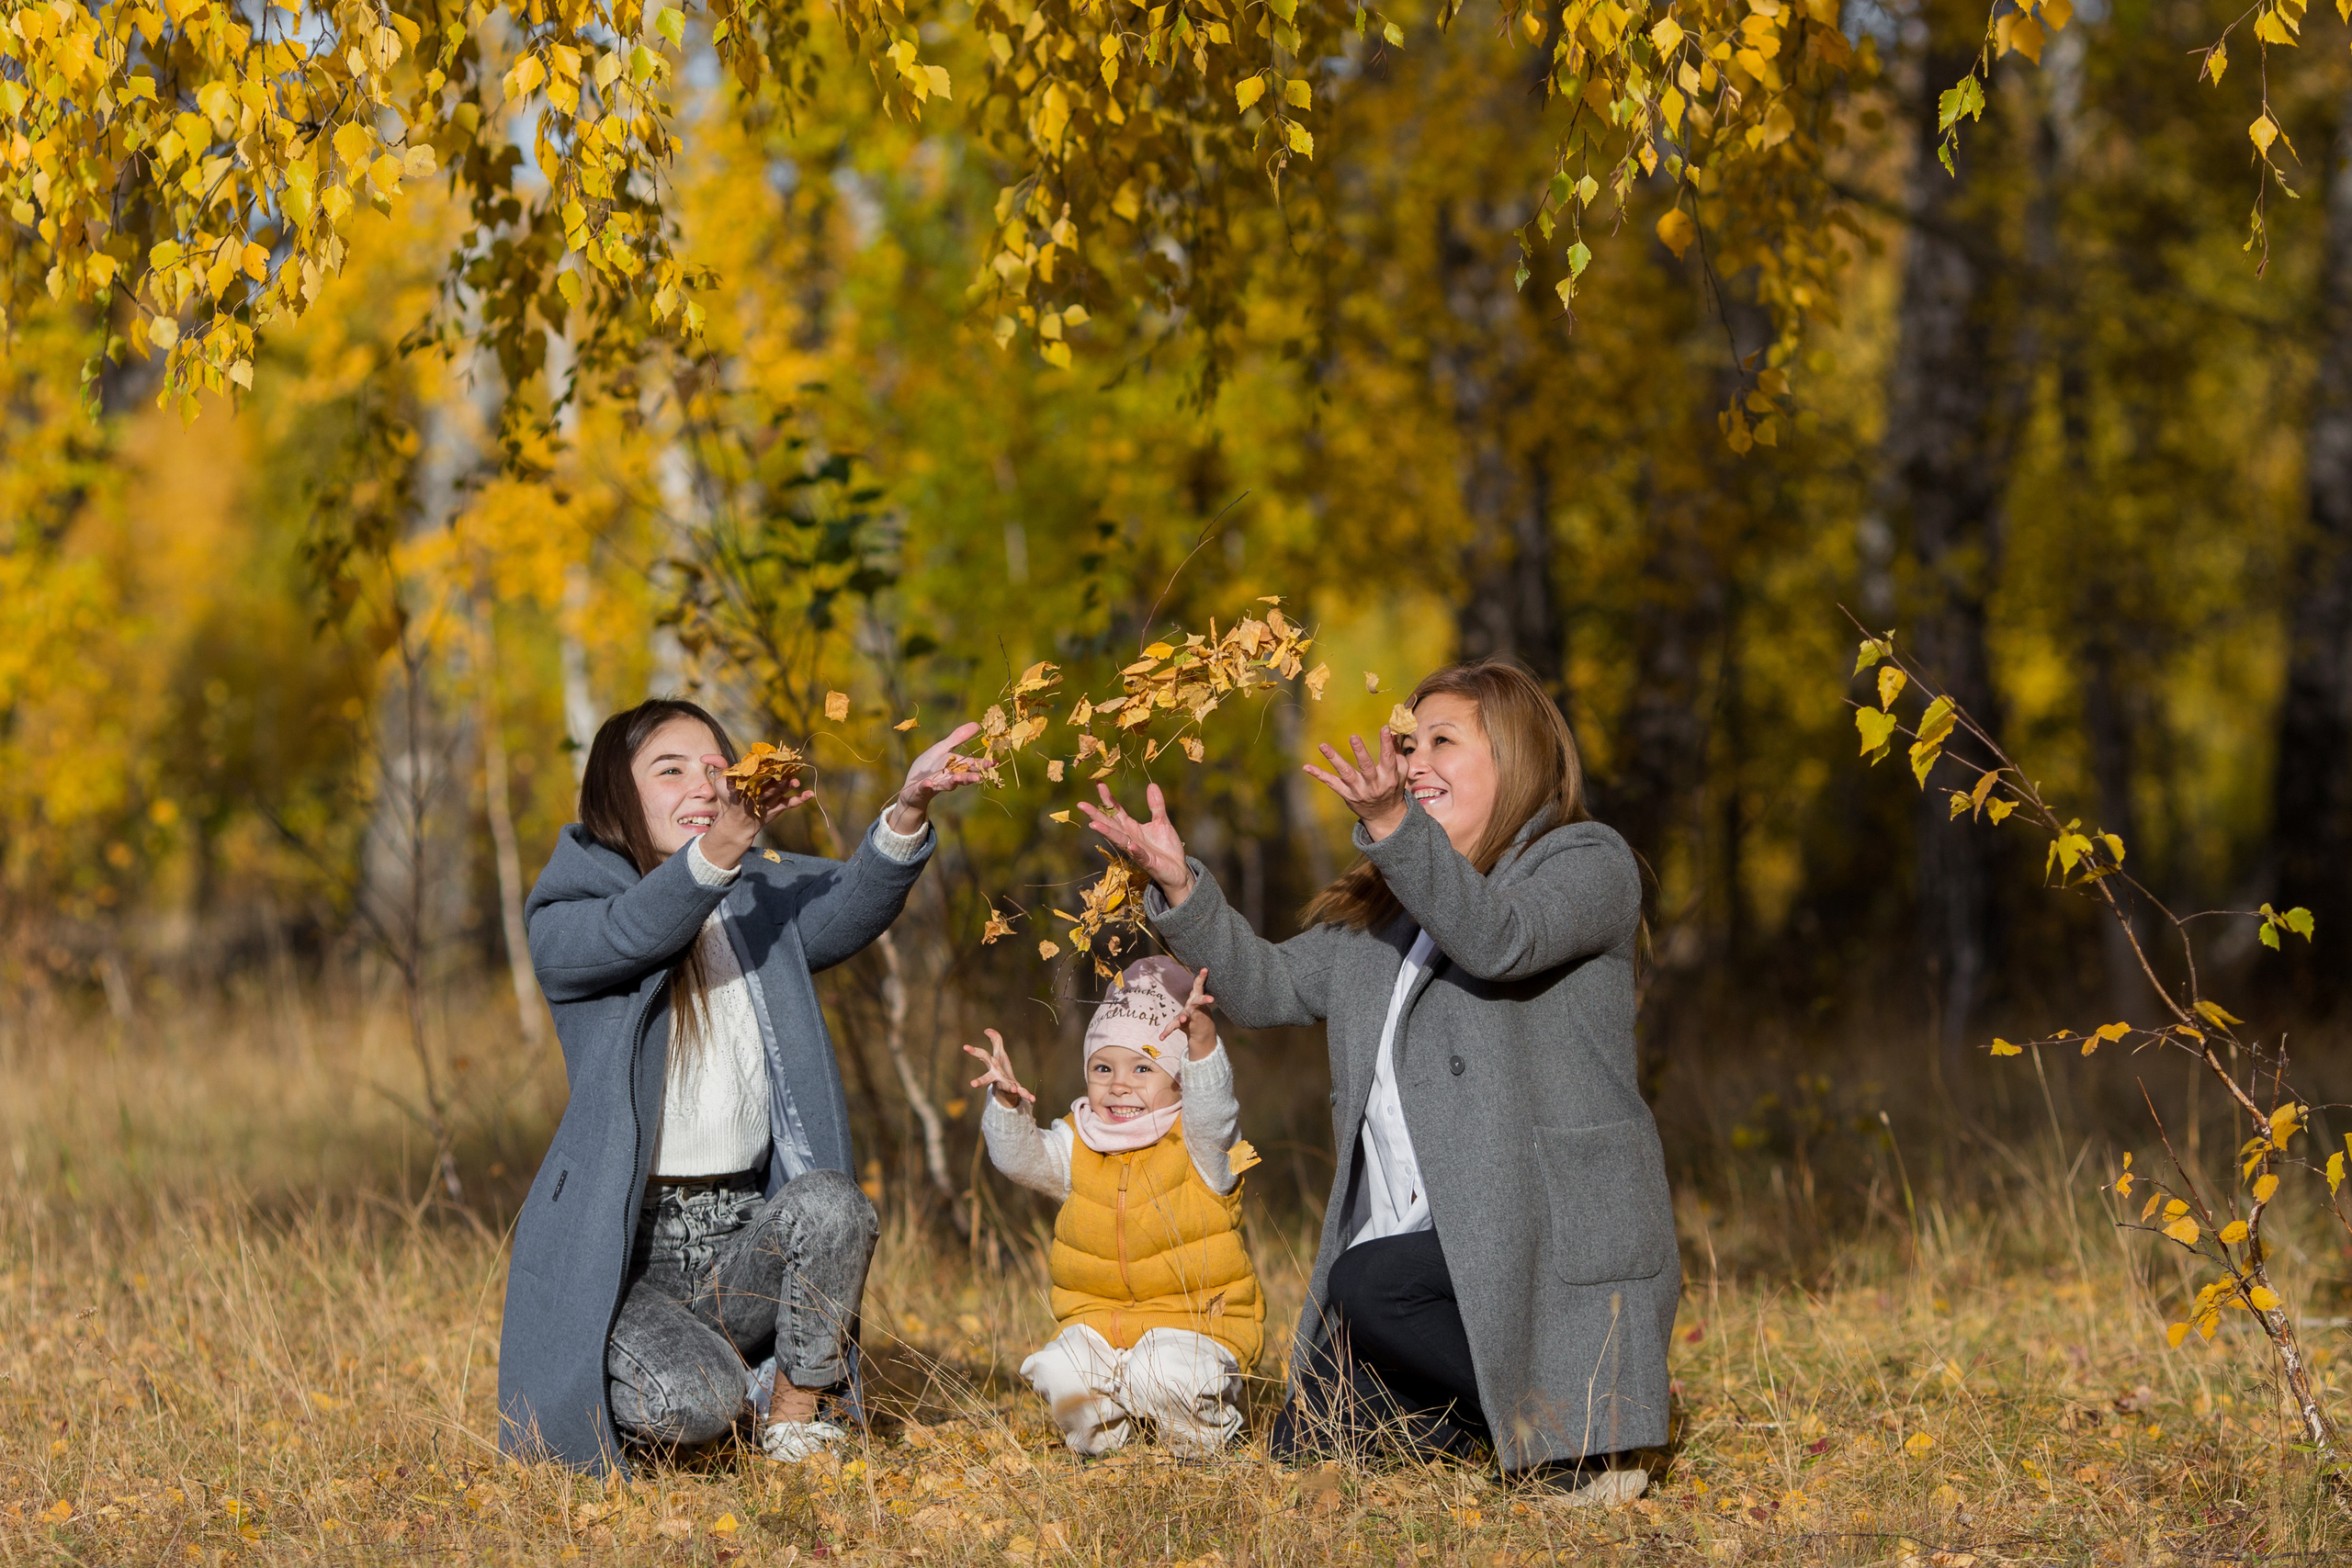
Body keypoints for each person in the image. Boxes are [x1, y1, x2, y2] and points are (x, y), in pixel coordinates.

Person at [1079, 658, 1671, 1505]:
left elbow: (1500, 938)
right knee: (1310, 1444)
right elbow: (1267, 985)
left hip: (1539, 1239)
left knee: (1369, 1283)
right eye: (1406, 742)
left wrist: (1396, 827)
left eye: (1442, 741)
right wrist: (1180, 882)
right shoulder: (1385, 912)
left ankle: (1587, 1427)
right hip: (1422, 1246)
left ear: (1517, 755)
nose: (1412, 760)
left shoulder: (1582, 861)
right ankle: (1489, 1425)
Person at [498, 697, 988, 1475]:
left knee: (833, 1205)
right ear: (614, 793)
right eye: (671, 769)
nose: (703, 784)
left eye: (716, 768)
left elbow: (850, 903)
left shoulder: (757, 896)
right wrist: (721, 848)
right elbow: (633, 932)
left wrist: (907, 806)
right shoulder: (571, 907)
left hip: (742, 1232)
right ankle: (708, 1387)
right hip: (629, 1254)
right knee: (696, 1402)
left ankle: (795, 1411)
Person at [964, 956, 1264, 1457]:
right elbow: (1022, 1159)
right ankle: (1107, 1442)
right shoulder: (1079, 1141)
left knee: (1165, 1374)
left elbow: (1216, 1110)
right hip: (1099, 1327)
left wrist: (1202, 1045)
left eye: (1143, 1067)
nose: (1118, 1084)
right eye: (1102, 1067)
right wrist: (1008, 1105)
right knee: (1060, 1371)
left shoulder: (1201, 1147)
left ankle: (1201, 1440)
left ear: (1178, 1078)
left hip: (1194, 1328)